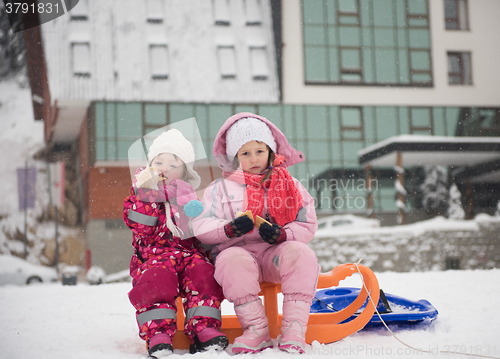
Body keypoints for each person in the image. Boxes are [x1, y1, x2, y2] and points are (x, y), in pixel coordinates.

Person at [192, 113, 320, 354]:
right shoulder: (219, 188)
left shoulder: (289, 183)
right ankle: (256, 329)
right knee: (230, 260)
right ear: (234, 157)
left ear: (271, 151)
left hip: (275, 255)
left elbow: (307, 221)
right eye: (245, 153)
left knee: (300, 254)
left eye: (259, 151)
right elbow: (200, 224)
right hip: (240, 254)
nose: (254, 158)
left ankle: (294, 328)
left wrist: (283, 235)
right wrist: (227, 229)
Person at [123, 129, 228, 358]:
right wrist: (146, 193)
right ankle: (157, 332)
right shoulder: (142, 193)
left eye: (173, 164)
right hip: (153, 255)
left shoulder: (189, 198)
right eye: (159, 162)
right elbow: (142, 226)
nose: (164, 168)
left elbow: (199, 230)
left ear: (184, 171)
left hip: (187, 254)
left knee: (204, 273)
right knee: (157, 280)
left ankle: (205, 328)